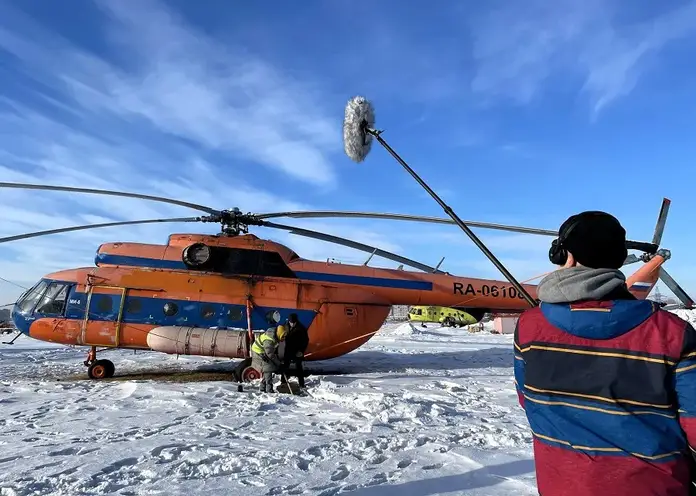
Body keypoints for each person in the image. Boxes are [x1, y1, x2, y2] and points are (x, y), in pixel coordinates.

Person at [514, 210, 696, 496]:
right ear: (619, 259)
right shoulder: (672, 333)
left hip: (560, 484)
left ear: (565, 256)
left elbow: (528, 400)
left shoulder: (528, 327)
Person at [250, 324, 287, 393]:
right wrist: (279, 364)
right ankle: (269, 390)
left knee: (269, 368)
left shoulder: (274, 336)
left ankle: (262, 388)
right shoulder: (269, 340)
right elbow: (270, 354)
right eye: (283, 337)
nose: (283, 339)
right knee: (268, 369)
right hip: (258, 353)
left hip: (264, 352)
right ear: (279, 334)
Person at [280, 313, 309, 389]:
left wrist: (301, 351)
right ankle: (283, 382)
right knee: (285, 366)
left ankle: (301, 384)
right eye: (291, 322)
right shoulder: (285, 326)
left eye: (294, 323)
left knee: (299, 367)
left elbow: (305, 341)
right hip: (288, 349)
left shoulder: (301, 328)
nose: (292, 324)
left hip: (297, 350)